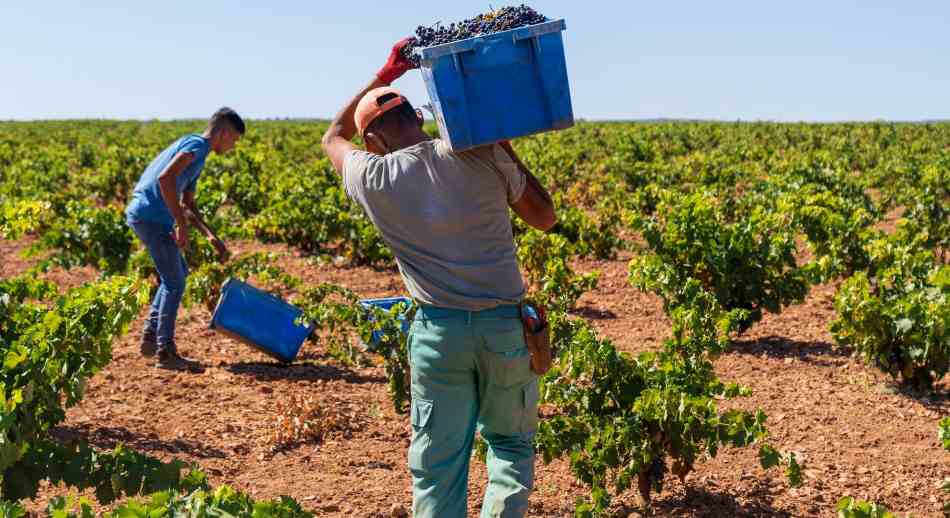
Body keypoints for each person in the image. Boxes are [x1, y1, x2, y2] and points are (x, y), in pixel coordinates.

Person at [321, 39, 556, 518]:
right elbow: (545, 217)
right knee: (510, 448)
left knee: (438, 465)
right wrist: (502, 143)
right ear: (420, 117)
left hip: (438, 336)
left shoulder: (372, 178)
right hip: (504, 331)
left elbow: (331, 135)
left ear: (372, 142)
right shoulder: (479, 153)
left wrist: (387, 71)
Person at [125, 107, 244, 371]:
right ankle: (164, 351)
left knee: (178, 273)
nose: (233, 146)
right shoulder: (196, 146)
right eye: (233, 139)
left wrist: (211, 236)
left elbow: (188, 203)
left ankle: (151, 335)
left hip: (149, 216)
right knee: (175, 280)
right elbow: (165, 178)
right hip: (149, 216)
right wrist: (179, 224)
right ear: (223, 133)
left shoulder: (198, 156)